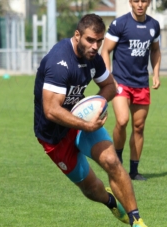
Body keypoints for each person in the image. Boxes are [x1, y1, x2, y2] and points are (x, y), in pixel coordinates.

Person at [34, 14, 148, 227]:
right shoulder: (60, 62)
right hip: (54, 137)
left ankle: (136, 220)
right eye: (90, 40)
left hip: (83, 124)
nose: (95, 46)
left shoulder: (93, 58)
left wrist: (96, 108)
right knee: (91, 187)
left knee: (112, 162)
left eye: (99, 41)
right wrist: (86, 123)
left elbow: (110, 86)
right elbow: (50, 110)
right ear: (77, 35)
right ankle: (111, 201)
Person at [101, 0, 162, 181]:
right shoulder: (120, 24)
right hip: (120, 83)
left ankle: (134, 171)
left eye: (144, 1)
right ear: (130, 2)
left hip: (141, 83)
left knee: (139, 127)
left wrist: (156, 74)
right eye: (136, 1)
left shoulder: (154, 25)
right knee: (122, 120)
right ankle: (117, 163)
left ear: (149, 2)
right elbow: (106, 51)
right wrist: (108, 77)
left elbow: (156, 50)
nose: (140, 4)